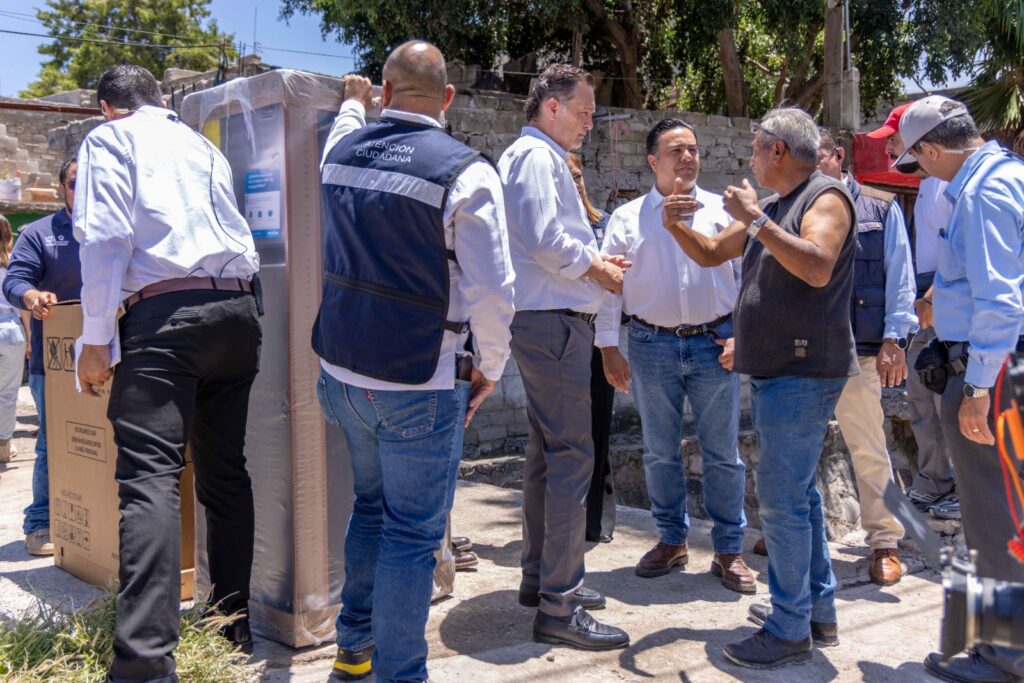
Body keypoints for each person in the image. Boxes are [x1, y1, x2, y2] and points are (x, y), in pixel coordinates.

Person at [312, 42, 515, 682]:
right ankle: (400, 675)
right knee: (412, 534)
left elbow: (344, 125)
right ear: (448, 100)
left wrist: (351, 104)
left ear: (385, 93)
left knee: (370, 509)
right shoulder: (467, 172)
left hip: (340, 376)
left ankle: (353, 651)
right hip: (418, 383)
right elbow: (494, 290)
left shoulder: (339, 154)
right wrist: (491, 366)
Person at [74, 64, 262, 682]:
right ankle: (232, 626)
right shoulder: (200, 144)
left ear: (108, 108)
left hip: (164, 315)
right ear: (159, 99)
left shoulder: (111, 138)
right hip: (237, 311)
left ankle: (145, 664)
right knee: (225, 472)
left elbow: (104, 237)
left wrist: (96, 336)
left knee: (150, 479)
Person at [662, 107, 856, 669]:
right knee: (801, 497)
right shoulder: (773, 207)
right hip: (780, 372)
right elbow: (709, 253)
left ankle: (789, 626)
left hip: (801, 372)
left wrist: (756, 222)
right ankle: (815, 611)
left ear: (777, 151)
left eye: (754, 148)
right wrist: (676, 223)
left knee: (783, 503)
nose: (747, 158)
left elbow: (818, 266)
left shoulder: (826, 197)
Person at [498, 63, 630, 651]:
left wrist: (590, 266)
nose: (589, 124)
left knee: (550, 457)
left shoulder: (537, 157)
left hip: (548, 321)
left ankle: (541, 579)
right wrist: (596, 266)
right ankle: (560, 602)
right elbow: (540, 235)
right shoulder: (535, 158)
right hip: (552, 322)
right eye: (583, 112)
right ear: (551, 106)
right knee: (573, 456)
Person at [893, 95, 1024, 683]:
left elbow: (1000, 300)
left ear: (930, 148)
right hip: (998, 364)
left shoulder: (981, 192)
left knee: (995, 520)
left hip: (993, 372)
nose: (921, 175)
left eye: (917, 163)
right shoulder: (1011, 176)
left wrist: (976, 388)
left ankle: (1004, 657)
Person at [597, 118, 753, 593]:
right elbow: (608, 287)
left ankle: (728, 550)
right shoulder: (627, 217)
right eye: (674, 150)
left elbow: (749, 279)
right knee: (659, 451)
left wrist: (740, 335)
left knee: (724, 453)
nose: (686, 157)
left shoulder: (724, 211)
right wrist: (607, 346)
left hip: (715, 341)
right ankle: (671, 539)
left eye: (692, 149)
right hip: (650, 345)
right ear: (651, 160)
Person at [814, 128, 916, 585]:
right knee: (796, 445)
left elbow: (901, 277)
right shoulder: (797, 206)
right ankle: (799, 530)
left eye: (818, 158)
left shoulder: (879, 206)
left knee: (869, 446)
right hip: (808, 349)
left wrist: (895, 339)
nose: (812, 168)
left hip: (862, 348)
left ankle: (885, 542)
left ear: (838, 156)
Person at [867, 103, 959, 520]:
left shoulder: (949, 184)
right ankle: (933, 482)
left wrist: (935, 299)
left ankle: (965, 486)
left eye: (894, 138)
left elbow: (962, 251)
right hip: (929, 297)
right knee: (923, 395)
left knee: (952, 399)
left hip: (949, 298)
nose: (888, 147)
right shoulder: (927, 185)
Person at [2, 158, 81, 556]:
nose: (81, 190)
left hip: (117, 359)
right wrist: (32, 296)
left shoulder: (120, 231)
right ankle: (41, 522)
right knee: (54, 443)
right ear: (61, 189)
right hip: (54, 365)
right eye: (73, 183)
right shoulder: (39, 234)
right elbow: (15, 281)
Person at [567, 151, 617, 544]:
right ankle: (566, 519)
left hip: (598, 339)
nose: (576, 182)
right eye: (567, 177)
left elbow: (616, 282)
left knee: (598, 429)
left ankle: (595, 522)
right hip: (560, 336)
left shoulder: (603, 223)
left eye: (579, 175)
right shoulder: (553, 230)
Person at [0, 215, 26, 467]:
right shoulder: (14, 266)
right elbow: (24, 307)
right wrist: (29, 340)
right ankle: (3, 445)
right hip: (10, 329)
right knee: (7, 393)